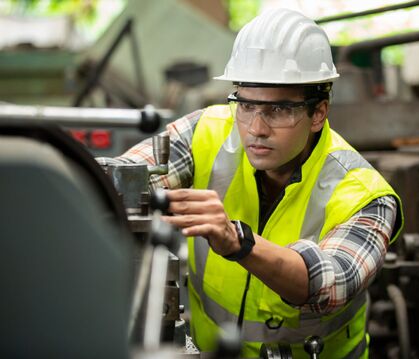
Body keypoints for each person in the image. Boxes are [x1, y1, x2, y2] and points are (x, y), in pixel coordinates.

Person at [99, 8, 403, 358]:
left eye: (278, 110)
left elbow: (329, 283)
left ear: (318, 112)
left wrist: (238, 241)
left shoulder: (365, 194)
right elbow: (124, 177)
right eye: (245, 105)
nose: (256, 128)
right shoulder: (206, 132)